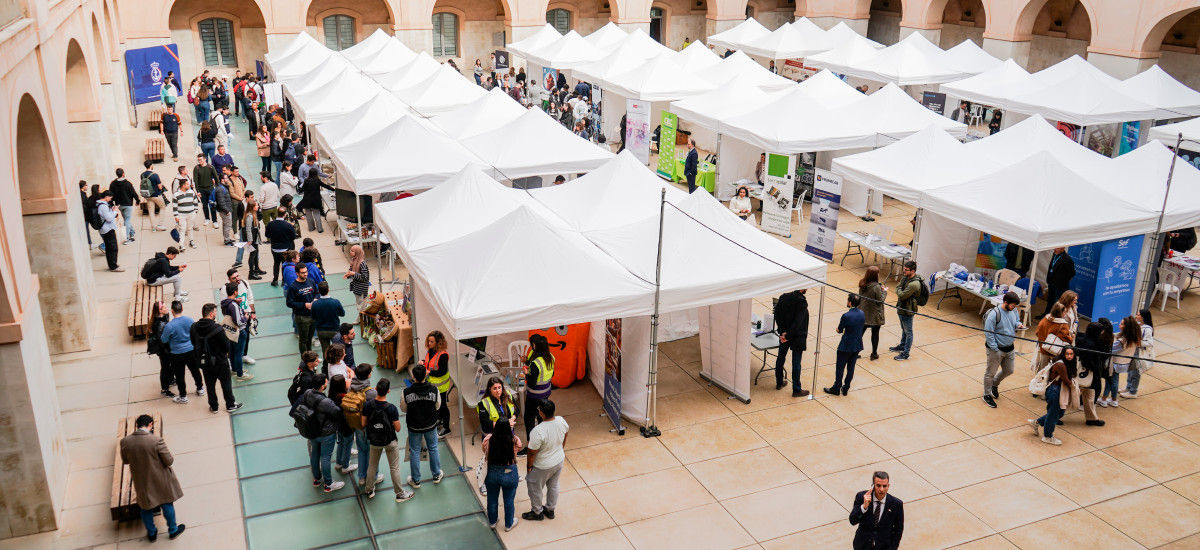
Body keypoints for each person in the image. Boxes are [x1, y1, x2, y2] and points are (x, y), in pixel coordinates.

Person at [120, 414, 186, 542]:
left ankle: (151, 533)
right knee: (166, 503)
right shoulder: (156, 441)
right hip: (159, 478)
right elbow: (169, 461)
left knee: (145, 507)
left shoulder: (125, 441)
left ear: (137, 426)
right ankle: (173, 530)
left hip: (141, 480)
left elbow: (126, 461)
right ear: (150, 424)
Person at [362, 378, 416, 502]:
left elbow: (363, 423)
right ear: (388, 391)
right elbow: (398, 428)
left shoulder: (368, 405)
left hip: (374, 441)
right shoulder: (391, 408)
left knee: (372, 466)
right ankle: (400, 494)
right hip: (390, 441)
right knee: (394, 468)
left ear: (375, 389)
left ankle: (369, 489)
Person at [294, 375, 348, 492]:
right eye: (326, 381)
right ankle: (329, 484)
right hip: (326, 434)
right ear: (323, 385)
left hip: (312, 430)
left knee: (315, 454)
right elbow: (338, 413)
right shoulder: (326, 401)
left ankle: (317, 478)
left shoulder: (308, 392)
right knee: (325, 457)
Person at [190, 302, 243, 413]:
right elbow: (226, 346)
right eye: (215, 312)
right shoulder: (218, 329)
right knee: (226, 384)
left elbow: (193, 342)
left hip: (205, 362)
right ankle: (230, 405)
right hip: (220, 361)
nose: (215, 314)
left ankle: (214, 407)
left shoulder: (194, 327)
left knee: (210, 385)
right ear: (210, 314)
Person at [400, 363, 444, 491]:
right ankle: (436, 475)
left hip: (414, 426)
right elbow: (437, 406)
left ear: (413, 376)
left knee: (414, 451)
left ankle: (416, 480)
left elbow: (403, 408)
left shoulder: (406, 392)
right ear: (426, 374)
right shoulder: (434, 390)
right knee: (433, 448)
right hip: (430, 425)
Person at [523, 399, 568, 521]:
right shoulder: (561, 420)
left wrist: (529, 467)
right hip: (558, 460)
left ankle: (537, 512)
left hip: (542, 466)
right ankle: (550, 509)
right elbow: (565, 434)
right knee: (553, 485)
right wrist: (560, 449)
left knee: (535, 488)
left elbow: (532, 452)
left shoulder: (537, 431)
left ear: (541, 413)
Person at [982, 292, 1024, 408]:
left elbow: (1016, 321)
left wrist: (1018, 325)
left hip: (1010, 347)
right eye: (1012, 305)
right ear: (1005, 302)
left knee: (1009, 370)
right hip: (996, 350)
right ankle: (986, 394)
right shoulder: (994, 314)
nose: (1014, 308)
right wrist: (995, 348)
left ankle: (995, 384)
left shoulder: (1013, 310)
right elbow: (988, 333)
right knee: (990, 373)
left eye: (1015, 306)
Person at [1030, 347, 1077, 445]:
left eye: (1071, 354)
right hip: (1055, 391)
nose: (1069, 356)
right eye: (1067, 354)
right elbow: (1067, 381)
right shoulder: (1061, 365)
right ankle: (1047, 436)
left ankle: (1037, 422)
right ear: (1063, 354)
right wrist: (1075, 385)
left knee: (1059, 413)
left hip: (1057, 390)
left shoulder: (1062, 363)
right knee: (1054, 414)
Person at [160, 301, 204, 403]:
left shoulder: (170, 326)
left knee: (180, 375)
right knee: (195, 371)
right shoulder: (189, 320)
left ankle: (183, 396)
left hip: (177, 354)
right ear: (182, 309)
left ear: (172, 311)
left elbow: (164, 340)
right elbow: (194, 332)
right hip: (191, 350)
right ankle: (200, 388)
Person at [483, 416, 522, 532]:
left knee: (492, 498)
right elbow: (518, 449)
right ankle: (509, 524)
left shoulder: (489, 439)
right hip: (509, 472)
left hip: (492, 472)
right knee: (509, 500)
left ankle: (492, 522)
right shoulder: (515, 440)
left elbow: (484, 450)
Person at [849, 472, 904, 550]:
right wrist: (864, 507)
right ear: (873, 486)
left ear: (888, 486)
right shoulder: (862, 497)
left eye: (884, 486)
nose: (881, 489)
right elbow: (852, 520)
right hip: (862, 546)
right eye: (878, 486)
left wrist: (893, 548)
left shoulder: (896, 504)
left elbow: (898, 529)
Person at [826, 294, 866, 396]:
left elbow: (839, 330)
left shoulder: (846, 316)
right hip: (857, 345)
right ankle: (846, 387)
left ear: (850, 302)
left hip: (846, 345)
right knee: (851, 368)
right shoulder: (862, 313)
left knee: (840, 367)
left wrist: (838, 330)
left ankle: (837, 387)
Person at [773, 289, 810, 397]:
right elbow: (798, 322)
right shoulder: (802, 303)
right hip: (797, 337)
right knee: (796, 363)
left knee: (780, 357)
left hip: (784, 334)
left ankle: (779, 382)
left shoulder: (783, 297)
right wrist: (788, 336)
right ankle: (796, 389)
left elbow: (777, 314)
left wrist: (783, 332)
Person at [522, 334, 555, 450]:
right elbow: (552, 374)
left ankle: (530, 446)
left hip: (534, 396)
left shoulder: (536, 363)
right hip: (546, 393)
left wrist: (527, 374)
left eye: (534, 344)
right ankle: (544, 441)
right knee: (541, 416)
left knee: (529, 419)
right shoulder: (551, 357)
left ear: (537, 347)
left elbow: (531, 383)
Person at [218, 282, 255, 382]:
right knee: (239, 353)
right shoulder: (233, 305)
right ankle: (240, 374)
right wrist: (246, 318)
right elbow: (238, 321)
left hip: (230, 332)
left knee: (233, 352)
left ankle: (235, 369)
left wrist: (235, 301)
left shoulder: (225, 303)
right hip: (240, 332)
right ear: (235, 292)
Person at [1075, 320, 1108, 427]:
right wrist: (1096, 369)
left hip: (1086, 376)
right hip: (1087, 376)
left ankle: (1092, 418)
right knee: (1072, 397)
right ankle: (1054, 416)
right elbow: (1087, 361)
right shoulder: (1090, 344)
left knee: (1090, 396)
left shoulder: (1083, 339)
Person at [1102, 316, 1140, 407]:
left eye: (1122, 324)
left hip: (1115, 363)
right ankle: (1105, 398)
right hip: (1124, 363)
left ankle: (1113, 399)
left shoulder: (1122, 341)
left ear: (1127, 327)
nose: (1119, 325)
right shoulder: (1134, 338)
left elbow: (1110, 350)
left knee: (1113, 381)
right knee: (1110, 380)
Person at [421, 331, 453, 438]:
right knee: (436, 404)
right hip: (433, 384)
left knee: (443, 405)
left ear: (438, 342)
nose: (429, 343)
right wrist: (422, 362)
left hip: (441, 386)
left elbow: (442, 371)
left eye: (432, 341)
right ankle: (440, 419)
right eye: (429, 341)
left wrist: (429, 372)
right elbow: (429, 364)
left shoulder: (442, 355)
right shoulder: (430, 351)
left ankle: (447, 428)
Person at [891, 261, 922, 361]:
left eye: (906, 270)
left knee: (908, 332)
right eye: (904, 269)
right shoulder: (905, 277)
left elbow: (901, 294)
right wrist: (899, 290)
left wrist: (899, 290)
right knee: (904, 329)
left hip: (907, 310)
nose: (903, 271)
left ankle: (906, 353)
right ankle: (902, 345)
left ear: (912, 271)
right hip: (901, 307)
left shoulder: (914, 284)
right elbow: (897, 287)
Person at [286, 263, 320, 353]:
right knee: (303, 340)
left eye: (306, 272)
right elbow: (289, 303)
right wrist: (304, 305)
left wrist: (316, 299)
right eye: (302, 273)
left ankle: (310, 357)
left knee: (310, 338)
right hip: (302, 317)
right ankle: (305, 360)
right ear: (297, 273)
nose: (305, 274)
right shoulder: (293, 287)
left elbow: (317, 292)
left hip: (312, 315)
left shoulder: (311, 281)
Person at [227, 268, 257, 366]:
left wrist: (252, 312)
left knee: (246, 336)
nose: (237, 279)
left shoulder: (244, 283)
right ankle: (231, 360)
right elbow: (225, 305)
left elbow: (250, 298)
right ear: (229, 279)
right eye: (234, 278)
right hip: (234, 319)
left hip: (246, 316)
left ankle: (244, 355)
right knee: (233, 340)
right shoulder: (226, 289)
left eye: (238, 276)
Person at [1122, 309, 1155, 399]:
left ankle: (1133, 391)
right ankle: (1128, 387)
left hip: (1139, 353)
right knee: (1130, 370)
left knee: (1135, 373)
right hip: (1133, 351)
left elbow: (1149, 343)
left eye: (1138, 315)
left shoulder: (1147, 329)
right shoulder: (1138, 325)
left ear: (1144, 317)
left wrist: (1137, 342)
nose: (1136, 316)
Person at [146, 301, 177, 398]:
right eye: (164, 307)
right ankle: (164, 389)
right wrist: (166, 350)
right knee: (165, 368)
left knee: (169, 365)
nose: (167, 308)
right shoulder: (159, 323)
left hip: (166, 348)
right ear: (160, 311)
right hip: (164, 350)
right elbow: (161, 340)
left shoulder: (163, 317)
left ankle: (171, 379)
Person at [857, 266, 887, 361]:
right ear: (875, 275)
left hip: (863, 312)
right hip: (874, 314)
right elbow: (880, 300)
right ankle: (874, 353)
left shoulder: (862, 283)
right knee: (875, 333)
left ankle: (855, 352)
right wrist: (884, 292)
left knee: (860, 333)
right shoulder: (876, 287)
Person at [1034, 302, 1073, 371]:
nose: (1065, 314)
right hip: (1054, 352)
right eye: (1064, 312)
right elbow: (1067, 340)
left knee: (1042, 371)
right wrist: (1072, 337)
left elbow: (1037, 332)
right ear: (1060, 312)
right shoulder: (1063, 325)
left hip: (1043, 348)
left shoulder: (1045, 319)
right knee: (1053, 371)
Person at [266, 204, 298, 285]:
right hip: (285, 248)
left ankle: (275, 280)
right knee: (285, 264)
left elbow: (267, 235)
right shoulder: (288, 225)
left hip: (274, 248)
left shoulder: (270, 224)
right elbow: (293, 236)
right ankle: (284, 281)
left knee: (276, 263)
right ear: (285, 214)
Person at [312, 281, 345, 356]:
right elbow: (342, 314)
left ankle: (326, 366)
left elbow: (313, 317)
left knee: (326, 352)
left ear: (318, 291)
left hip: (321, 331)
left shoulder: (315, 304)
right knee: (337, 352)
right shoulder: (335, 302)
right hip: (334, 330)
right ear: (328, 289)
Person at [108, 168, 141, 245]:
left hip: (119, 205)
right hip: (127, 204)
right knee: (127, 220)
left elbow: (111, 195)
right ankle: (127, 238)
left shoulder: (112, 184)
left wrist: (112, 205)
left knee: (127, 219)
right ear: (123, 174)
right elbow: (133, 193)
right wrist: (137, 200)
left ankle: (132, 232)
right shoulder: (127, 184)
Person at [1042, 247, 1076, 317]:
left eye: (1057, 248)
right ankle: (1046, 314)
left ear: (1062, 249)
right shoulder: (1055, 255)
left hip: (1060, 285)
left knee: (1058, 302)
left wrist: (1064, 278)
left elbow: (1072, 273)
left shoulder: (1067, 259)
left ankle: (1055, 316)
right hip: (1051, 282)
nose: (1054, 249)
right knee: (1050, 299)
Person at [234, 198, 262, 278]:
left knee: (255, 253)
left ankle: (256, 269)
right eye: (256, 205)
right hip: (251, 238)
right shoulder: (249, 216)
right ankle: (251, 273)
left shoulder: (253, 214)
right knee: (253, 255)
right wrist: (250, 240)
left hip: (254, 237)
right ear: (252, 207)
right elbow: (248, 228)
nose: (258, 206)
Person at [171, 177, 200, 250]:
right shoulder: (176, 195)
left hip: (191, 214)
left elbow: (195, 201)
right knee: (182, 229)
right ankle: (181, 244)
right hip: (181, 215)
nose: (189, 185)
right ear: (183, 185)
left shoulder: (191, 192)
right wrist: (176, 216)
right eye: (187, 184)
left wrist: (195, 211)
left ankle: (191, 241)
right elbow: (175, 206)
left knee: (190, 228)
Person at [141, 161, 168, 232]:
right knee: (163, 207)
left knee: (151, 211)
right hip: (156, 195)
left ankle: (153, 227)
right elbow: (159, 187)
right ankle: (160, 224)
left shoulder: (142, 175)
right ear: (151, 165)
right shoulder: (155, 175)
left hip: (147, 195)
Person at [192, 154, 219, 227]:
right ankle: (207, 218)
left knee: (212, 205)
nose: (199, 161)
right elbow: (196, 181)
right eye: (198, 160)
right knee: (204, 205)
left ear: (205, 159)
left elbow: (216, 178)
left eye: (201, 159)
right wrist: (198, 191)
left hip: (210, 188)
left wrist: (217, 188)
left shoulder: (210, 167)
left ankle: (214, 220)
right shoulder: (196, 168)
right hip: (201, 189)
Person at [344, 244, 370, 311]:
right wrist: (348, 274)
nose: (350, 252)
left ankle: (360, 319)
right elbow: (351, 269)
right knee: (359, 303)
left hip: (361, 289)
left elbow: (364, 277)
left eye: (352, 251)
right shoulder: (354, 260)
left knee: (361, 305)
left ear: (357, 252)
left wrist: (353, 273)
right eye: (350, 250)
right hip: (357, 287)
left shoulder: (362, 263)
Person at [214, 175, 234, 245]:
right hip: (225, 210)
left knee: (226, 224)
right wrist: (227, 211)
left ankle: (227, 238)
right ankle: (227, 241)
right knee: (227, 225)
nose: (228, 179)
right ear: (222, 180)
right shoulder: (221, 189)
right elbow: (221, 201)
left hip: (225, 209)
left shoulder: (222, 187)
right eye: (226, 178)